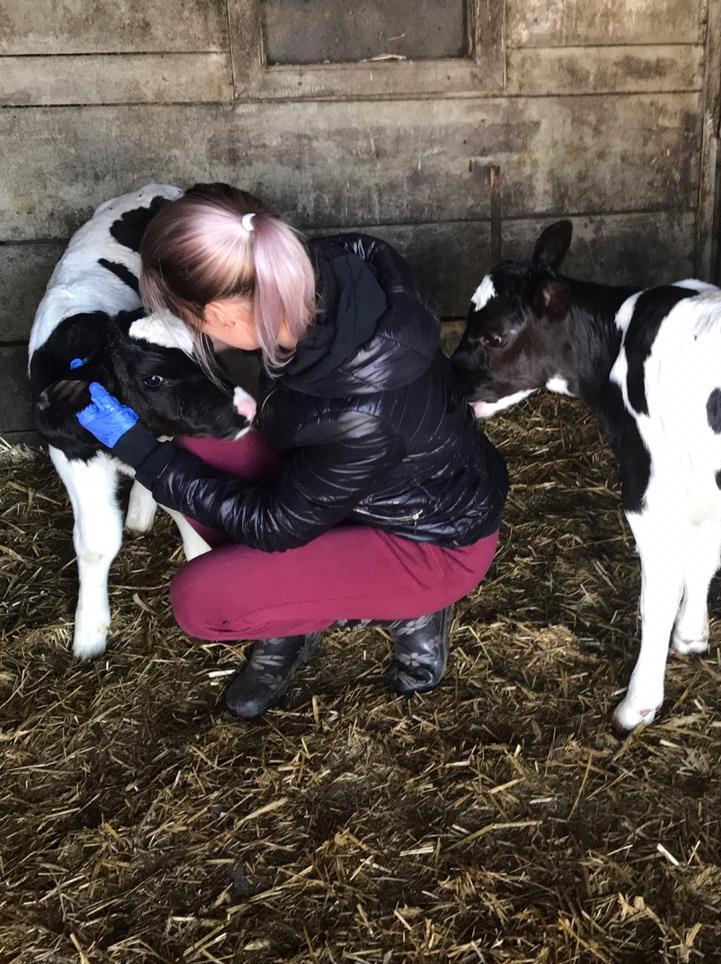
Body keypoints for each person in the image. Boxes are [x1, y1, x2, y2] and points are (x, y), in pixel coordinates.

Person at [75, 183, 508, 720]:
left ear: (221, 314)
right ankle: (291, 611)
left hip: (430, 540)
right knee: (198, 443)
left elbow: (273, 524)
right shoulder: (304, 274)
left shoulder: (362, 412)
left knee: (200, 601)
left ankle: (409, 610)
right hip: (366, 483)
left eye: (187, 317)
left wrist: (143, 455)